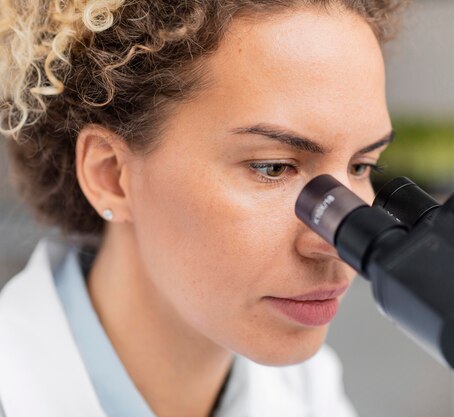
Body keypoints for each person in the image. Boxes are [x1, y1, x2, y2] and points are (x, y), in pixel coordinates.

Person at [0, 0, 407, 416]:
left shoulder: (309, 392)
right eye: (273, 167)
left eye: (361, 166)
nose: (340, 244)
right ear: (110, 175)